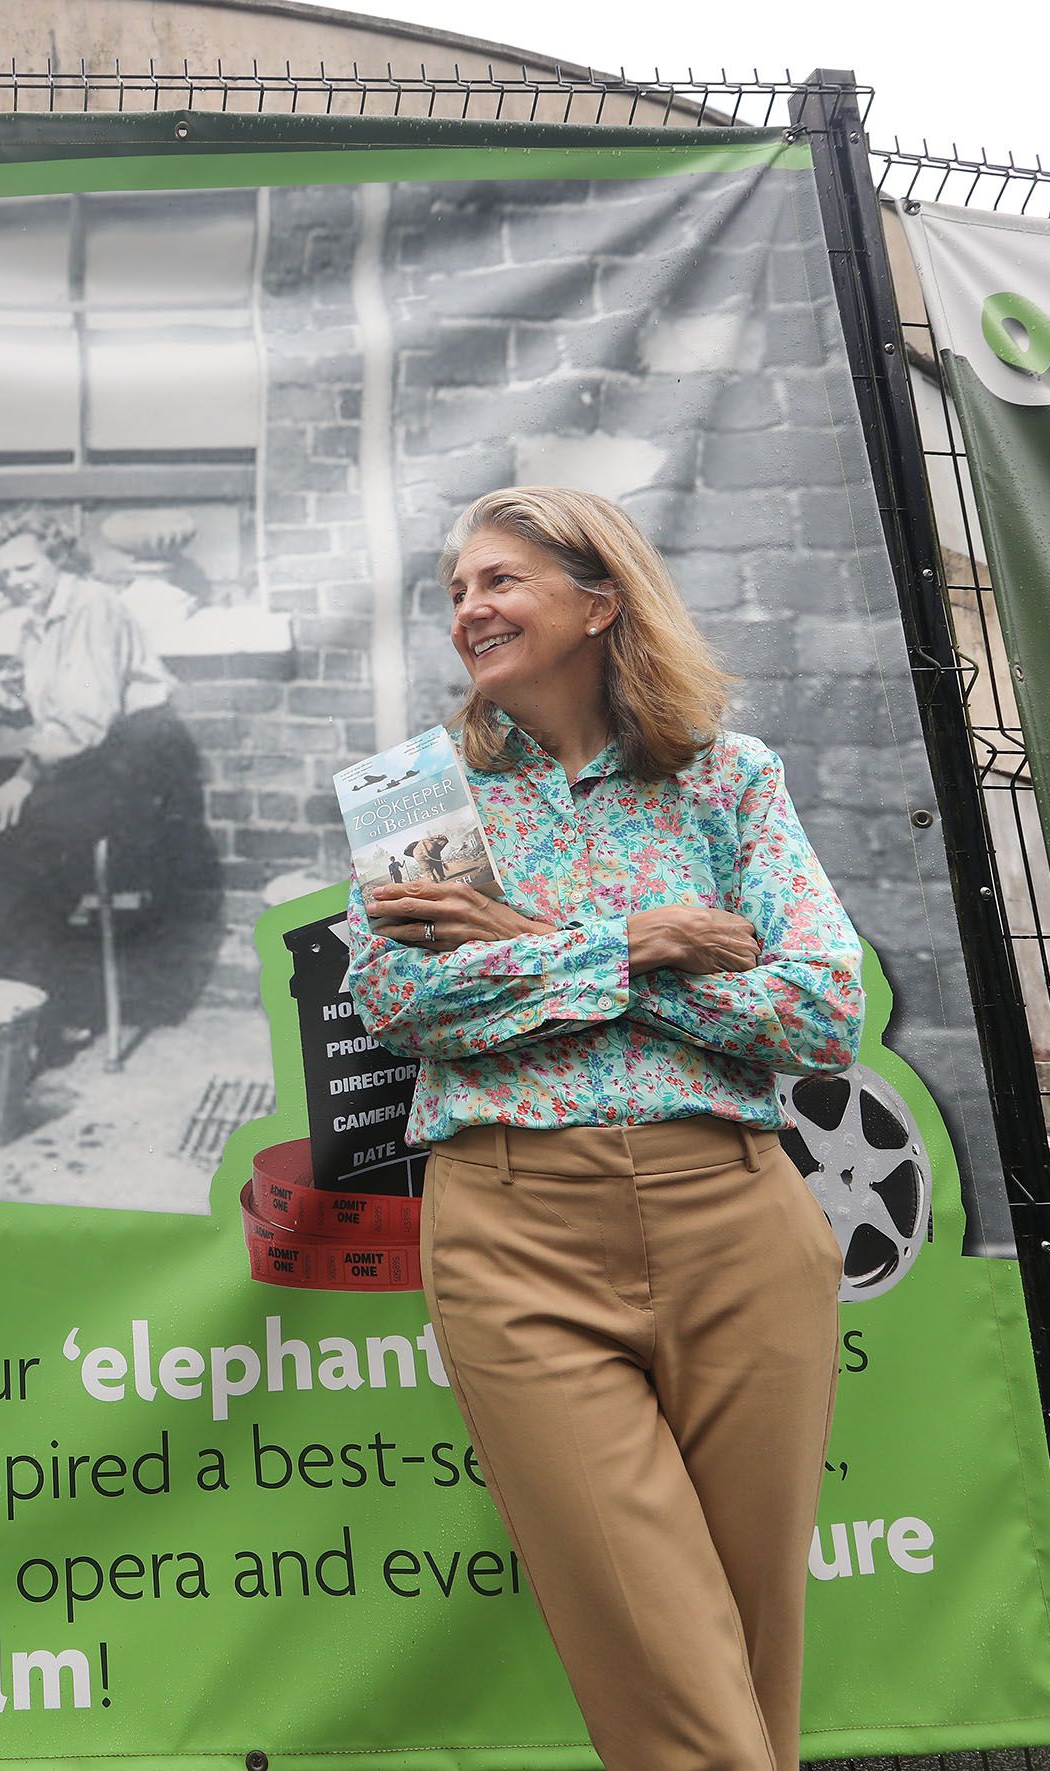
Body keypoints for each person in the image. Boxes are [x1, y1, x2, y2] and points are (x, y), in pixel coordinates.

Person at [345, 486, 863, 1771]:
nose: (469, 607)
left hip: (738, 1222)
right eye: (458, 588)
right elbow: (403, 999)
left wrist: (524, 948)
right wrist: (643, 940)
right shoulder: (426, 794)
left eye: (501, 580)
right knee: (668, 1677)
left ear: (599, 599)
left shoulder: (727, 778)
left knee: (748, 1657)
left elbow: (818, 1007)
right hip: (518, 1243)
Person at [0, 506, 209, 1056]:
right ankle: (12, 998)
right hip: (87, 761)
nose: (17, 581)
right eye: (8, 573)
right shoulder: (37, 620)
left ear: (57, 558)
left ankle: (41, 1011)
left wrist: (23, 776)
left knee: (25, 835)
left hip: (137, 768)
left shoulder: (92, 607)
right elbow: (15, 694)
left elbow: (83, 718)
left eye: (26, 567)